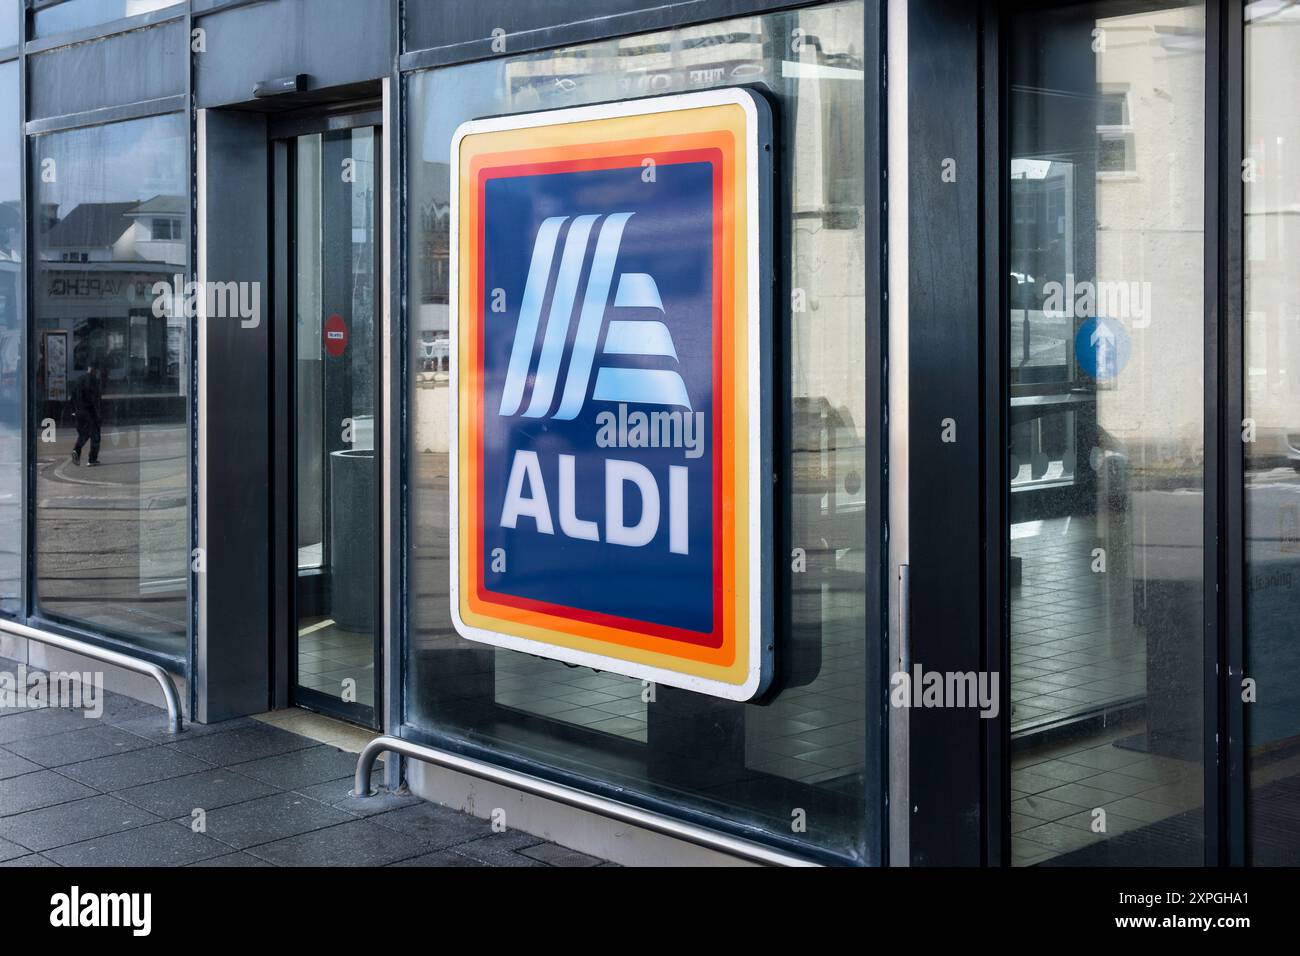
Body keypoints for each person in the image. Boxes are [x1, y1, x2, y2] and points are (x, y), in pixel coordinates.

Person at [70, 360, 102, 467]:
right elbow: (95, 399)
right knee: (95, 436)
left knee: (84, 434)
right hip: (90, 412)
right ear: (94, 370)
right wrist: (97, 413)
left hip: (79, 411)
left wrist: (74, 410)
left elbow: (73, 395)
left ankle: (76, 450)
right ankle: (92, 459)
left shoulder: (79, 380)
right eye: (96, 371)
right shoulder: (94, 381)